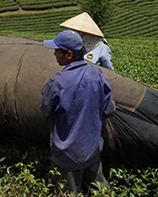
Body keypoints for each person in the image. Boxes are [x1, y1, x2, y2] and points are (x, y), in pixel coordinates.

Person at [41, 30, 116, 195]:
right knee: (100, 191)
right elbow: (109, 109)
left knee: (65, 192)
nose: (54, 54)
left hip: (67, 155)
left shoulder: (57, 83)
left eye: (57, 50)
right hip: (92, 150)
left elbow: (45, 112)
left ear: (69, 54)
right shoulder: (98, 75)